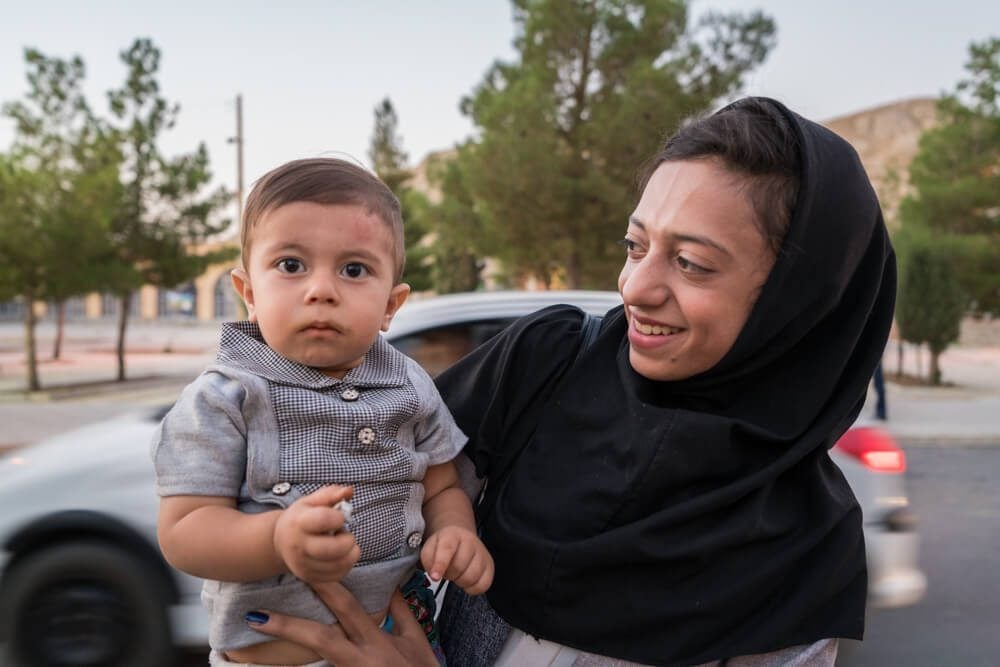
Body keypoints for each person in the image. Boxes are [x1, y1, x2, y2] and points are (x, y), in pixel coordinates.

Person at [247, 97, 896, 666]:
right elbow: (352, 497)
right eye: (634, 244)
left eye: (692, 263)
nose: (635, 289)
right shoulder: (546, 363)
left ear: (796, 303)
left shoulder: (806, 552)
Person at [151, 157, 493, 666]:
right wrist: (275, 538)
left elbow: (441, 486)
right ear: (248, 292)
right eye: (291, 265)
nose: (321, 290)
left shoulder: (410, 383)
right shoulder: (225, 399)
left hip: (405, 640)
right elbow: (183, 531)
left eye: (354, 270)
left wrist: (455, 532)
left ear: (390, 306)